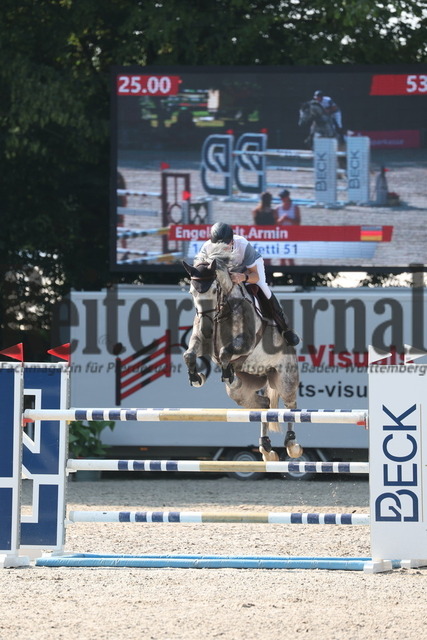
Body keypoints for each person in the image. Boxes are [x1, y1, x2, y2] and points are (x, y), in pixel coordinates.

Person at [196, 222, 300, 346]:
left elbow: (255, 276)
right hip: (224, 272)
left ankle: (284, 328)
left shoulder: (243, 245)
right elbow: (201, 272)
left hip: (249, 267)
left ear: (232, 241)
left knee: (263, 288)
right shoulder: (206, 248)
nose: (220, 249)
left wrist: (243, 277)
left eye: (224, 245)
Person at [275, 190, 301, 266]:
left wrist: (289, 219)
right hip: (281, 234)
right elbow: (275, 224)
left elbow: (298, 223)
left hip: (291, 234)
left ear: (287, 197)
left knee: (290, 258)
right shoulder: (278, 208)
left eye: (283, 197)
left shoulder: (295, 208)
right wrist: (281, 220)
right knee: (281, 258)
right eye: (281, 197)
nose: (282, 199)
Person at [252, 192, 277, 266]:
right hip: (264, 236)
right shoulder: (258, 211)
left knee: (266, 257)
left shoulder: (257, 211)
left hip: (267, 235)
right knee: (263, 257)